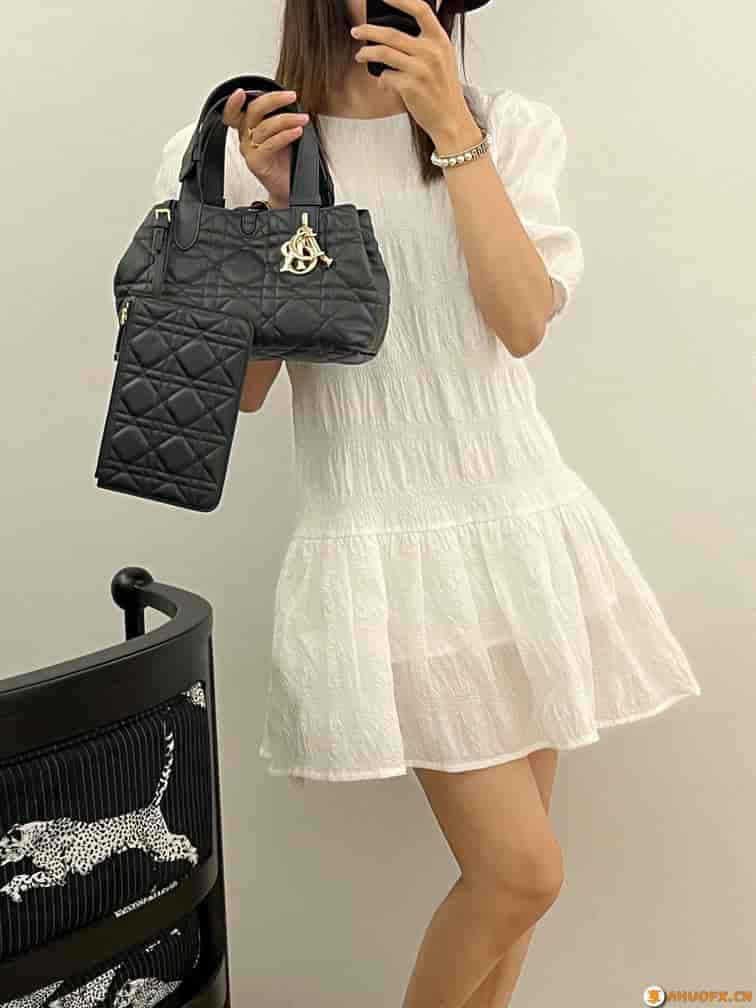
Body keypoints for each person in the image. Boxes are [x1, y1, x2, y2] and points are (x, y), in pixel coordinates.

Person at [153, 1, 702, 1004]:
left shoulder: (507, 125)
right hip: (382, 548)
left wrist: (455, 129)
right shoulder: (248, 149)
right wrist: (280, 214)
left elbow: (522, 322)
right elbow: (241, 392)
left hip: (523, 528)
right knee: (521, 874)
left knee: (515, 894)